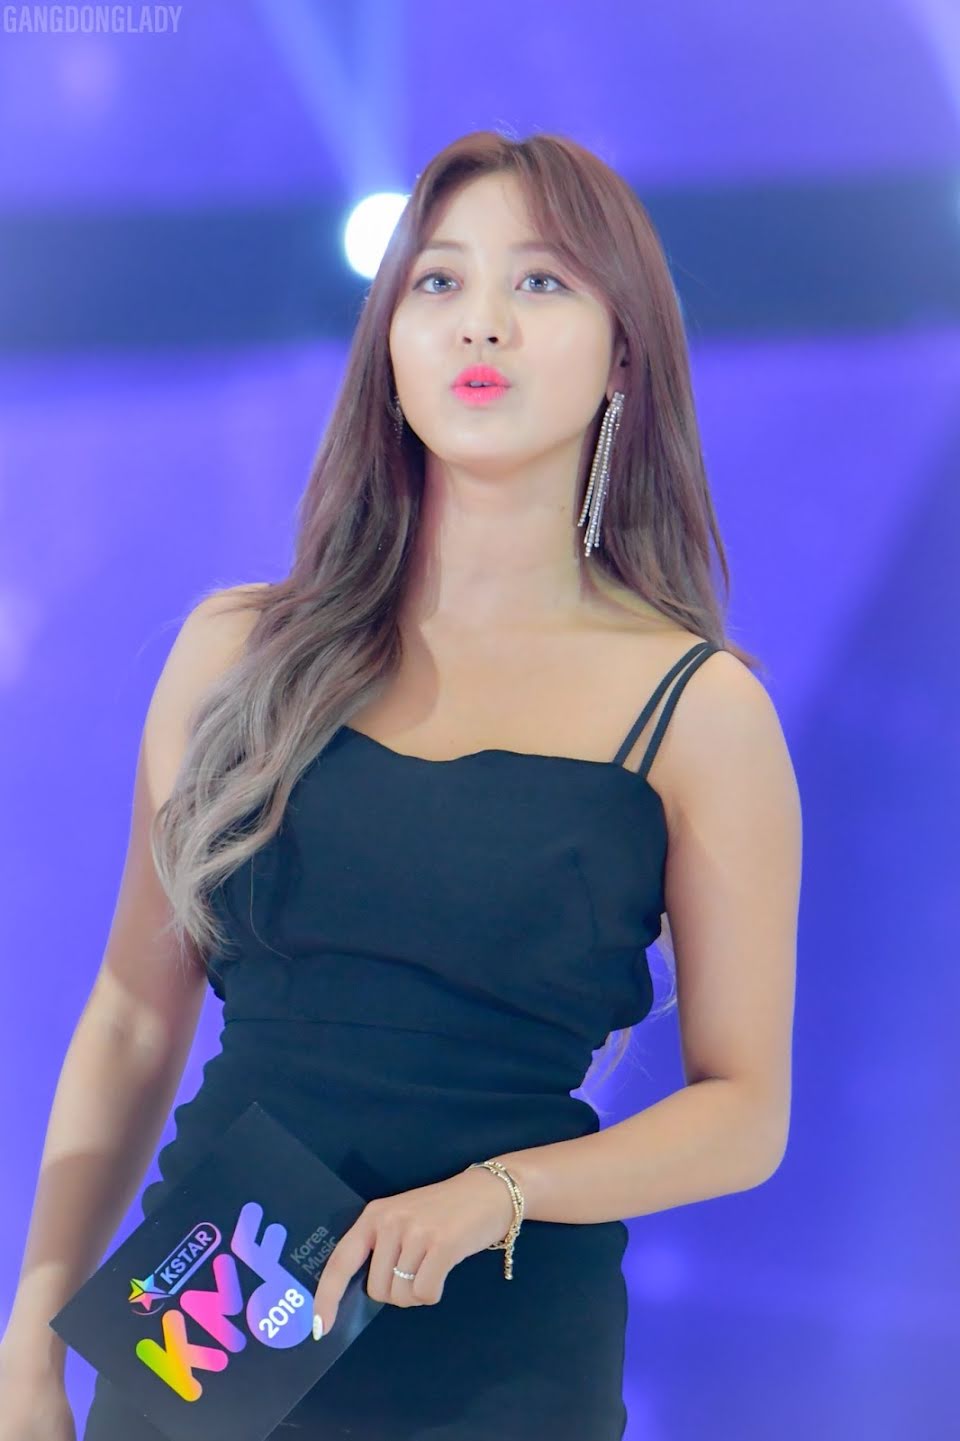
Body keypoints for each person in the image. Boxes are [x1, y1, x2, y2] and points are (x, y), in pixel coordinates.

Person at [0, 129, 801, 1440]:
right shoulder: (237, 653)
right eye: (438, 281)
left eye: (540, 281)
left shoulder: (700, 711)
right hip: (212, 1309)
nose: (481, 320)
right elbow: (134, 1018)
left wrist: (501, 1193)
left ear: (623, 355)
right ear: (389, 341)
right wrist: (34, 1325)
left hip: (499, 1342)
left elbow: (744, 1111)